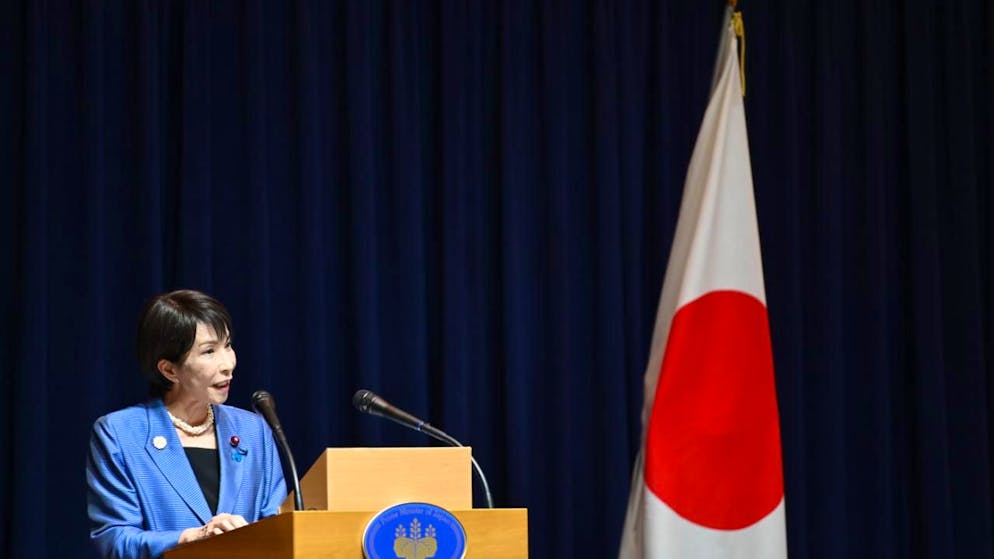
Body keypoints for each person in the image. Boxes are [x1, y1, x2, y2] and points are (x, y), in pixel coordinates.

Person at [86, 290, 287, 558]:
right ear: (169, 370)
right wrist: (193, 537)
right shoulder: (120, 434)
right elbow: (113, 541)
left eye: (227, 345)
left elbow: (279, 526)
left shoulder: (254, 430)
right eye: (209, 351)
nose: (228, 364)